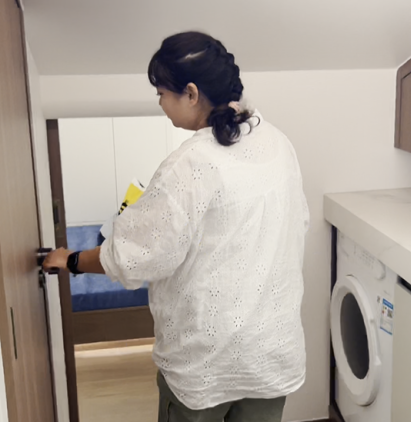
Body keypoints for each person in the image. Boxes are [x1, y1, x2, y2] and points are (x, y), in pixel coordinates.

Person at [44, 31, 309, 422]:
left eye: (162, 94)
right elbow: (296, 223)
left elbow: (134, 255)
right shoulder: (276, 141)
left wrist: (71, 260)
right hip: (271, 351)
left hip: (206, 362)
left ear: (191, 93)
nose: (160, 103)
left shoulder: (190, 164)